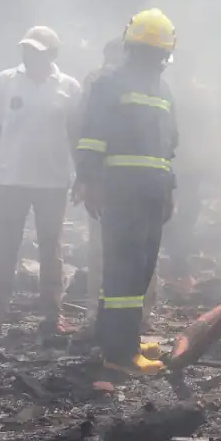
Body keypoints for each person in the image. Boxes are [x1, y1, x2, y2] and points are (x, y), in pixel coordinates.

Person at [73, 9, 177, 374]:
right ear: (134, 49)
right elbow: (91, 136)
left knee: (141, 268)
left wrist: (169, 188)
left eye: (159, 54)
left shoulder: (162, 88)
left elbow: (169, 146)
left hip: (151, 192)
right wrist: (89, 180)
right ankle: (120, 355)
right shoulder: (109, 82)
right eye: (152, 53)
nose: (157, 60)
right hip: (122, 190)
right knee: (125, 270)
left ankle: (120, 336)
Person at [0, 26, 82, 338]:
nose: (29, 54)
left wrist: (82, 176)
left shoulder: (69, 87)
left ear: (52, 54)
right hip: (10, 179)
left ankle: (51, 314)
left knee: (51, 249)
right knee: (5, 247)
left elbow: (76, 136)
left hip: (53, 182)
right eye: (26, 49)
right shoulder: (6, 81)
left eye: (37, 50)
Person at [80, 38, 158, 337]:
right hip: (109, 188)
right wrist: (87, 178)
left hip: (141, 189)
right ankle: (98, 318)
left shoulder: (147, 87)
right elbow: (84, 134)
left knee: (143, 254)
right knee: (102, 252)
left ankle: (141, 315)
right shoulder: (98, 87)